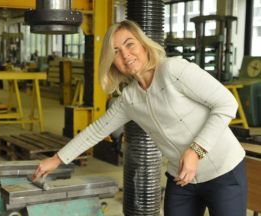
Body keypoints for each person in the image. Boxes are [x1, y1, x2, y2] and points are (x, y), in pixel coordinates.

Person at [33, 20, 247, 216]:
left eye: (130, 44)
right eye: (116, 51)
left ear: (144, 45)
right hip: (182, 179)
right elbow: (97, 130)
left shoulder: (174, 70)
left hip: (223, 172)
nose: (125, 55)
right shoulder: (130, 98)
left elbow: (227, 103)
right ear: (112, 61)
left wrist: (196, 151)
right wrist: (56, 160)